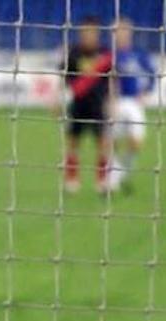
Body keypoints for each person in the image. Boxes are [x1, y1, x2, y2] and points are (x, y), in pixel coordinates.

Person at [60, 16, 112, 195]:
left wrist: (112, 101)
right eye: (85, 31)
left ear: (97, 33)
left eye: (92, 32)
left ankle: (102, 181)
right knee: (73, 142)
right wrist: (60, 98)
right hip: (78, 104)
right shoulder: (73, 53)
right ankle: (72, 180)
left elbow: (112, 79)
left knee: (103, 143)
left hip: (97, 104)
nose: (88, 35)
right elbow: (64, 77)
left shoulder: (105, 53)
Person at [106, 17, 157, 193]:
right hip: (117, 102)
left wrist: (146, 92)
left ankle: (121, 174)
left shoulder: (139, 54)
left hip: (134, 102)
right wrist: (109, 100)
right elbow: (106, 81)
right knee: (112, 142)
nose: (121, 34)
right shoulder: (109, 55)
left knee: (136, 141)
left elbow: (152, 74)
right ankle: (112, 181)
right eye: (117, 31)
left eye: (124, 30)